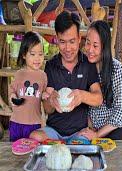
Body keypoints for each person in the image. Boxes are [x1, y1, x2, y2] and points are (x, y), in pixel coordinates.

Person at [29, 11, 103, 142]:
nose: (68, 48)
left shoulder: (87, 64)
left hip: (79, 132)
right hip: (54, 131)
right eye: (62, 42)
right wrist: (51, 101)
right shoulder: (51, 65)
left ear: (79, 39)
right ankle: (63, 144)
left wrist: (82, 95)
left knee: (81, 144)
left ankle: (65, 145)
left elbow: (98, 98)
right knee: (34, 136)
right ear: (56, 39)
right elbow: (47, 109)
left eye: (72, 41)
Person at [78, 20, 122, 140]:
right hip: (95, 130)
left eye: (95, 46)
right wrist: (91, 128)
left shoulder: (117, 69)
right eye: (88, 43)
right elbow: (83, 107)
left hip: (120, 129)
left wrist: (97, 134)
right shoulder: (82, 68)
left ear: (104, 47)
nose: (90, 50)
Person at [8, 31, 47, 142]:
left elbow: (43, 94)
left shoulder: (43, 76)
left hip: (34, 124)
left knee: (32, 150)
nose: (37, 58)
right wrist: (12, 97)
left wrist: (45, 95)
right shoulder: (19, 74)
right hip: (16, 122)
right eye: (33, 54)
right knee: (15, 151)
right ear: (24, 54)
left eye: (40, 54)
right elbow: (12, 91)